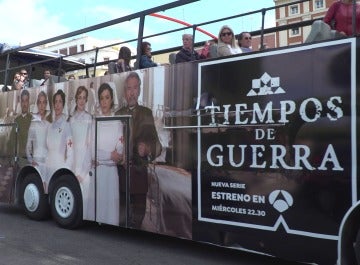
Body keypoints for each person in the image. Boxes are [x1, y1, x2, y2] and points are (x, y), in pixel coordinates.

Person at [116, 71, 162, 228]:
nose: (132, 92)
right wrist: (116, 155)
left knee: (137, 223)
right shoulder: (118, 114)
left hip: (139, 178)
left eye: (135, 88)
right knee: (121, 221)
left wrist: (148, 148)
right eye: (129, 88)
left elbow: (158, 146)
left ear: (140, 90)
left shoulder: (147, 114)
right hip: (120, 178)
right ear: (124, 91)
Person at [93, 83, 124, 225]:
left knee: (111, 214)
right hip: (98, 174)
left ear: (112, 99)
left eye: (107, 98)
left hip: (112, 175)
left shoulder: (117, 123)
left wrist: (103, 158)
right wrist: (110, 156)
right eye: (101, 98)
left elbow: (120, 150)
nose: (104, 101)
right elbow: (93, 151)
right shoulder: (94, 123)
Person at [69, 86, 94, 220]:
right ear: (76, 99)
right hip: (73, 163)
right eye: (79, 97)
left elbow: (90, 146)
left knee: (85, 196)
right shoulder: (71, 120)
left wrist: (83, 172)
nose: (82, 101)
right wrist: (72, 168)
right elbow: (69, 146)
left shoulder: (89, 118)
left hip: (85, 163)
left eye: (84, 98)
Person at [45, 90, 73, 183]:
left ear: (63, 104)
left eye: (60, 101)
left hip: (59, 170)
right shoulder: (49, 127)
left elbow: (70, 152)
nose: (57, 105)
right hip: (47, 169)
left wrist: (65, 171)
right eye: (55, 102)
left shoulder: (66, 125)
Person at [26, 91, 51, 179]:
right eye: (40, 102)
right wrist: (31, 161)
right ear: (37, 104)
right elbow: (28, 146)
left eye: (44, 102)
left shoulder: (49, 125)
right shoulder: (33, 124)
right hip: (36, 163)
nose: (41, 105)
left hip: (48, 164)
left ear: (46, 104)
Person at [8, 90, 32, 167]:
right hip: (22, 159)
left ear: (28, 102)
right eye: (23, 101)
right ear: (20, 103)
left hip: (34, 158)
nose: (24, 104)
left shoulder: (33, 120)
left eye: (26, 101)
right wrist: (11, 158)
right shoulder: (17, 120)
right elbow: (11, 140)